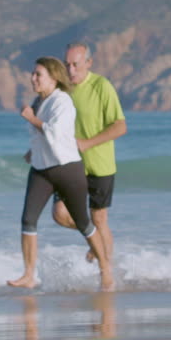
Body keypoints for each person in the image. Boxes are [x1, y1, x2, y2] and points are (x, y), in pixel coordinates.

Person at [8, 56, 114, 291]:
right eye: (33, 74)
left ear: (53, 78)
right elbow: (42, 137)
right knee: (28, 220)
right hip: (41, 170)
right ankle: (28, 275)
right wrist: (31, 151)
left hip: (67, 170)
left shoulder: (62, 102)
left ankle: (106, 270)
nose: (33, 78)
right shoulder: (39, 101)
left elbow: (55, 134)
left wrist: (31, 118)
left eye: (38, 75)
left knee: (83, 222)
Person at [51, 41, 127, 266]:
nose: (71, 70)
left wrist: (88, 143)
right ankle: (94, 238)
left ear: (88, 63)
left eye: (75, 65)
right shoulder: (61, 89)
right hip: (69, 165)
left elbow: (120, 126)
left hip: (100, 165)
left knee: (99, 219)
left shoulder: (102, 86)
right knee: (60, 214)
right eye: (67, 65)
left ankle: (107, 274)